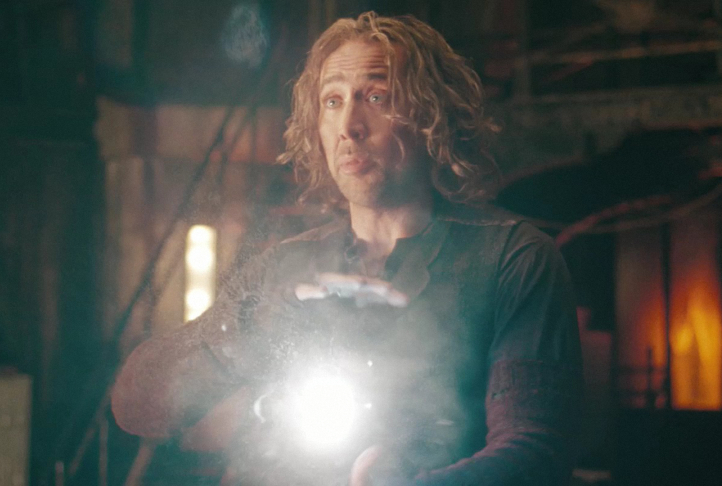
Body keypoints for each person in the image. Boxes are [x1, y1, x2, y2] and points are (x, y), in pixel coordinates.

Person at [112, 11, 582, 486]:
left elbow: (535, 449)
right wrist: (247, 330)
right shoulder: (283, 268)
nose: (348, 126)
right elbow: (136, 408)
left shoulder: (510, 258)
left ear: (431, 116)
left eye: (376, 97)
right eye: (332, 101)